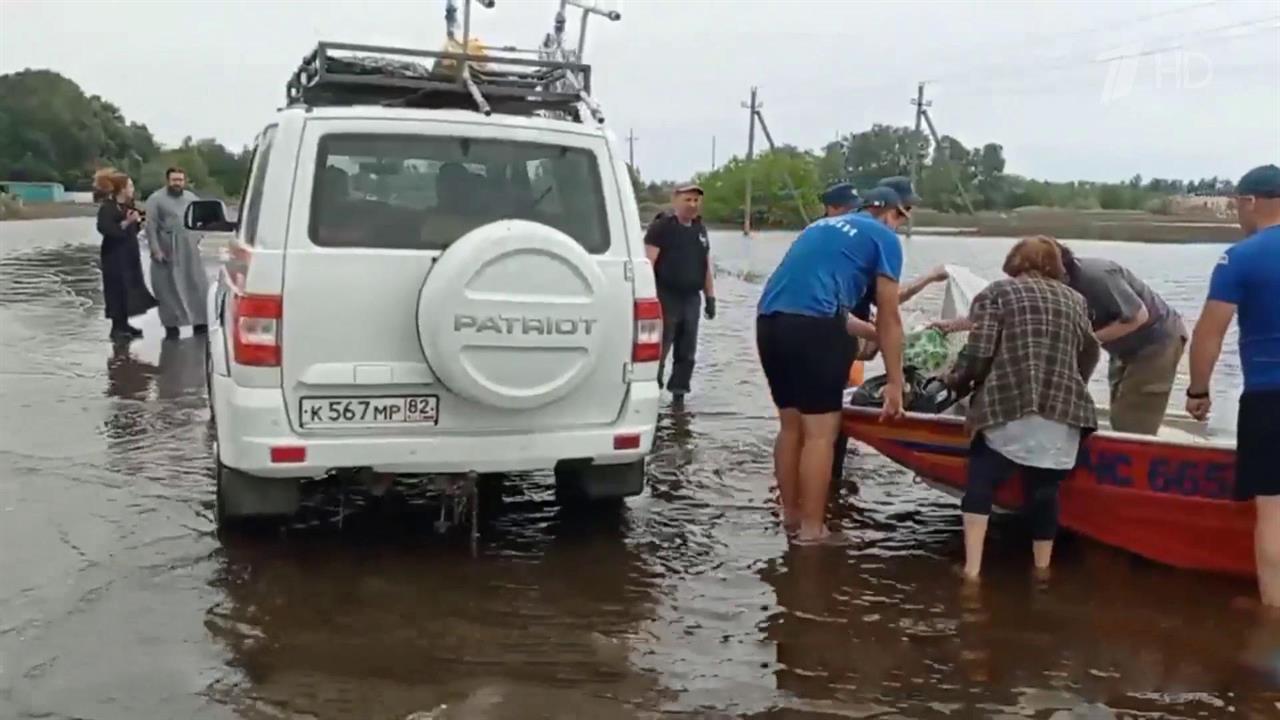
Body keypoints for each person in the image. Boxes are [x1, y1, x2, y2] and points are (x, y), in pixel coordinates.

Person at [756, 184, 910, 544]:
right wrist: (895, 382)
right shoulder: (885, 239)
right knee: (821, 434)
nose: (902, 224)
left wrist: (871, 336)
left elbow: (824, 303)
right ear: (888, 212)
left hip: (769, 322)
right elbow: (890, 316)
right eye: (902, 215)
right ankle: (813, 530)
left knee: (791, 427)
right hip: (814, 328)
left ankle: (791, 519)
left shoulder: (818, 227)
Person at [943, 236, 1100, 582]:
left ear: (1015, 263)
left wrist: (954, 380)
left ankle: (972, 570)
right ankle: (1042, 569)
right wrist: (1073, 384)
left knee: (981, 481)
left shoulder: (997, 293)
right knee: (1045, 492)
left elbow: (979, 353)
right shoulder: (1076, 300)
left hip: (1008, 407)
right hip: (1063, 414)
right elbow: (1091, 352)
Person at [932, 239, 1185, 435]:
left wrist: (1084, 341)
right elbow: (1002, 313)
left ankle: (1131, 474)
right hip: (1122, 350)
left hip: (1157, 340)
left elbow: (1137, 316)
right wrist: (952, 326)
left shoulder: (1097, 276)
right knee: (1120, 410)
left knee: (1133, 420)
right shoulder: (1052, 287)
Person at [1185, 163, 1280, 608]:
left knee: (1273, 512)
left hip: (1269, 395)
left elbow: (1210, 332)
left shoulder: (1240, 257)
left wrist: (1199, 391)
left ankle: (1274, 616)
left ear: (1250, 202)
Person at [644, 183, 716, 402]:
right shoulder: (662, 227)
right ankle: (649, 396)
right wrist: (647, 299)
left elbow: (705, 265)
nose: (692, 205)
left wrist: (710, 297)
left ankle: (679, 398)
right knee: (659, 349)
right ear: (675, 200)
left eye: (696, 200)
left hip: (691, 298)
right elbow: (648, 263)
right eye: (688, 199)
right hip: (665, 296)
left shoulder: (700, 229)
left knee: (687, 352)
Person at [144, 167, 209, 339]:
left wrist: (199, 237)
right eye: (174, 180)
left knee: (197, 285)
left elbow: (202, 221)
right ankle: (172, 327)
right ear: (167, 181)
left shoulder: (191, 198)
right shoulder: (156, 199)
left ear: (184, 181)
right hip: (168, 249)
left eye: (180, 180)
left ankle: (200, 323)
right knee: (167, 289)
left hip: (190, 250)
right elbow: (150, 227)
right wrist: (155, 250)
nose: (177, 183)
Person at [94, 167, 157, 341]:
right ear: (121, 188)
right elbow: (106, 229)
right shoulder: (107, 207)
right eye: (130, 186)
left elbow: (132, 229)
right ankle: (116, 328)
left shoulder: (127, 206)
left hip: (129, 252)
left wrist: (137, 222)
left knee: (129, 286)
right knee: (116, 289)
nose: (132, 189)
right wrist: (127, 222)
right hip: (113, 255)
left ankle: (125, 324)